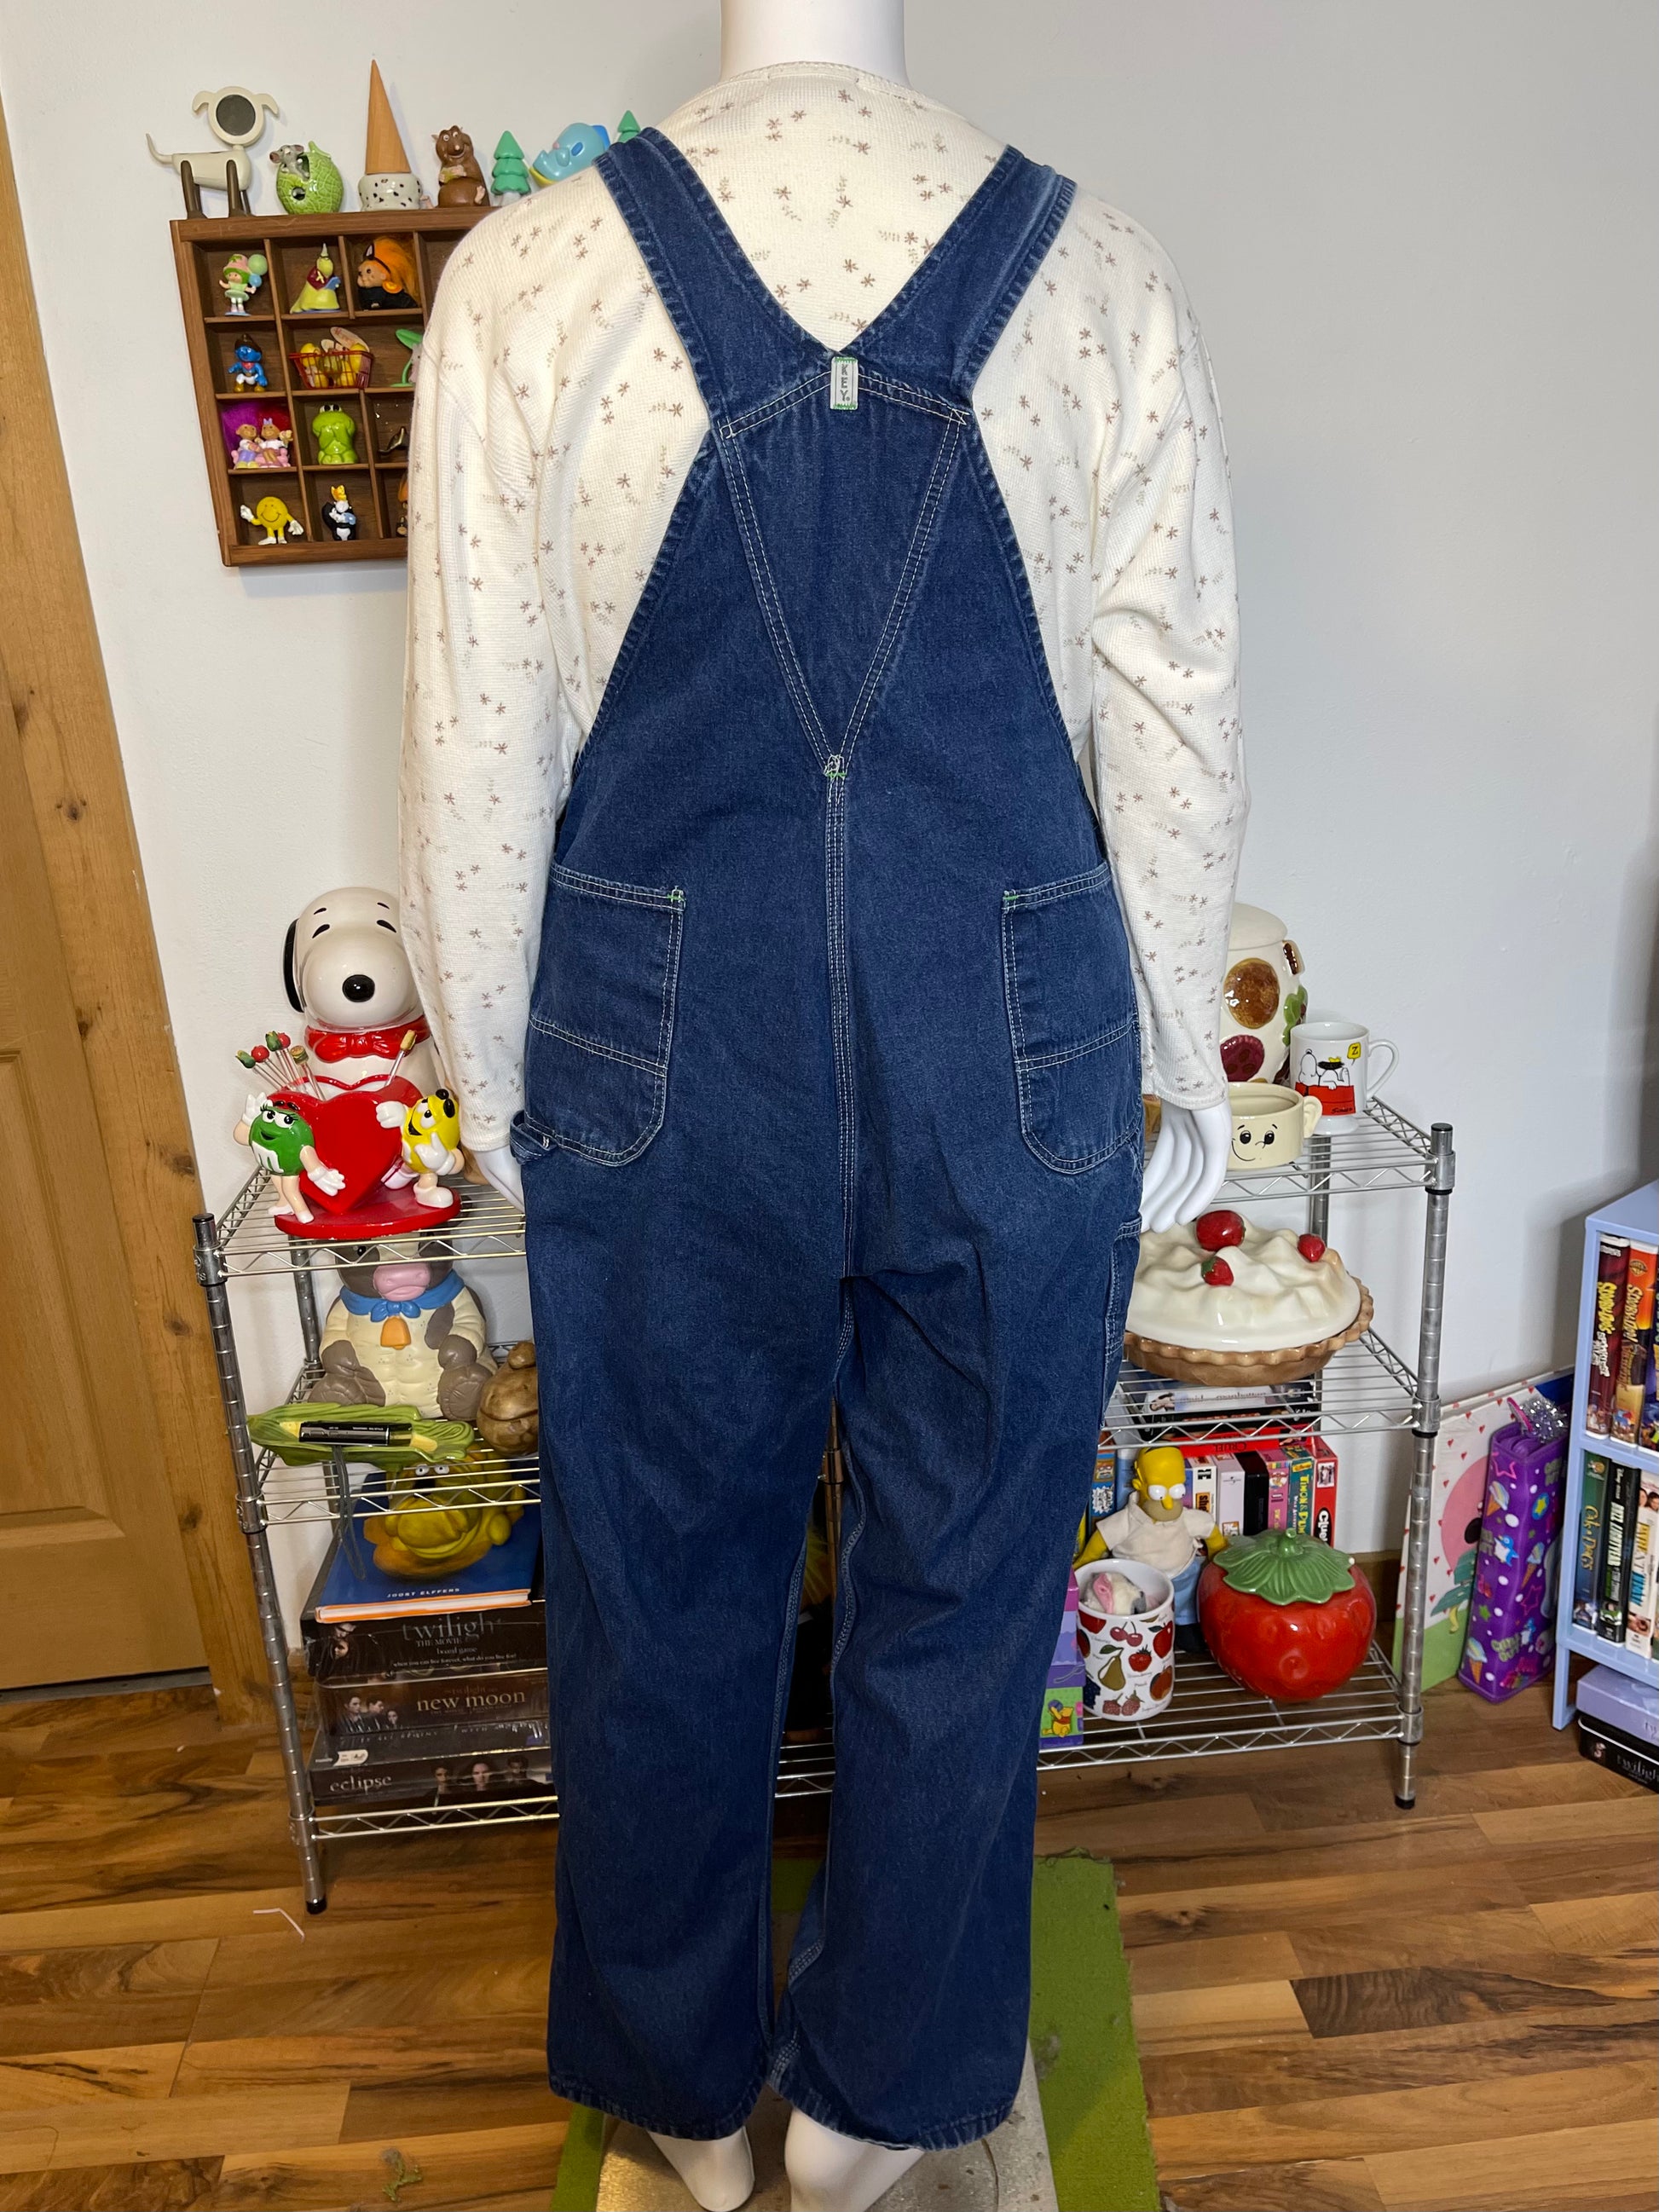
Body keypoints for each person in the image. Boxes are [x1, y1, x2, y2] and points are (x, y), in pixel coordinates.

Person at [401, 8, 1244, 2208]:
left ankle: (683, 2092)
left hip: (657, 1037)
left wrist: (493, 1081)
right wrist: (1178, 1054)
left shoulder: (525, 282)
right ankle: (885, 2088)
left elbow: (479, 732)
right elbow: (1173, 706)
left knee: (657, 1581)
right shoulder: (1103, 274)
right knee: (964, 1584)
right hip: (1017, 1032)